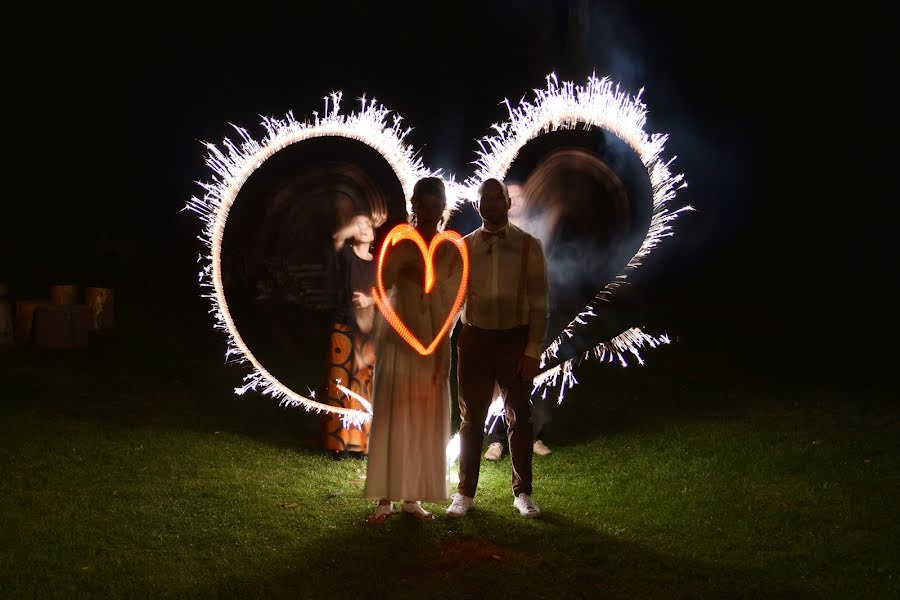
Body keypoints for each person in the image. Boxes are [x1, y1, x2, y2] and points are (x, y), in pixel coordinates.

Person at [447, 178, 549, 519]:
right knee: (471, 419)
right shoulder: (464, 246)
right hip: (474, 338)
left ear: (507, 203)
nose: (491, 203)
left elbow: (539, 301)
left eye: (497, 197)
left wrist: (533, 349)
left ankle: (523, 493)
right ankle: (465, 493)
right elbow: (452, 299)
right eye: (484, 198)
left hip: (514, 340)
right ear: (477, 206)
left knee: (520, 417)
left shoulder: (528, 245)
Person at [365, 177, 463, 524]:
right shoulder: (400, 241)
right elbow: (382, 283)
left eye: (433, 203)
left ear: (442, 207)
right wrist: (402, 273)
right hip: (400, 337)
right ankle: (385, 497)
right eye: (420, 204)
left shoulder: (450, 247)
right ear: (415, 205)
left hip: (432, 339)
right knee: (394, 412)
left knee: (422, 416)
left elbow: (455, 295)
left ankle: (412, 497)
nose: (426, 210)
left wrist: (426, 281)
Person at [322, 213, 379, 459]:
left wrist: (370, 299)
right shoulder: (345, 255)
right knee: (340, 384)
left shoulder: (378, 262)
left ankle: (360, 445)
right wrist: (353, 223)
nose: (364, 228)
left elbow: (387, 292)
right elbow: (335, 237)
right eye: (359, 225)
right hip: (343, 325)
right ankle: (339, 443)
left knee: (363, 384)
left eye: (368, 225)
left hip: (368, 330)